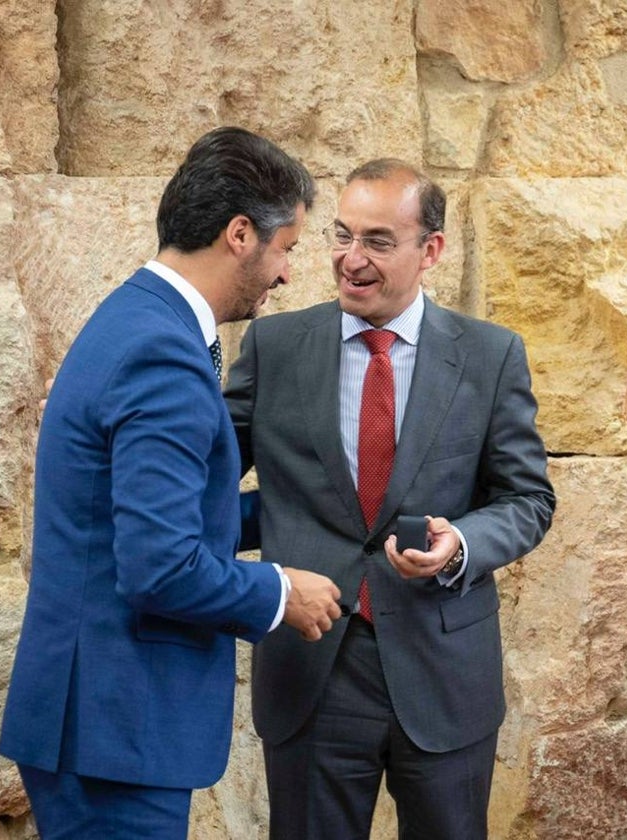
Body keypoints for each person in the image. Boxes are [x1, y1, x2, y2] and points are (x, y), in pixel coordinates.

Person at [0, 127, 343, 840]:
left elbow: (154, 519)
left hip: (98, 720)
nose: (286, 276)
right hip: (115, 730)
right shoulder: (162, 353)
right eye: (288, 249)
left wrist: (303, 508)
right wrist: (281, 592)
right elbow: (161, 566)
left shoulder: (136, 317)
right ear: (241, 234)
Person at [224, 159, 556, 839]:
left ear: (430, 250)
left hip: (443, 673)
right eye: (342, 236)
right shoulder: (275, 345)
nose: (351, 259)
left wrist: (462, 544)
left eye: (377, 241)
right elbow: (203, 475)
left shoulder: (491, 356)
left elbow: (526, 499)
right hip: (313, 667)